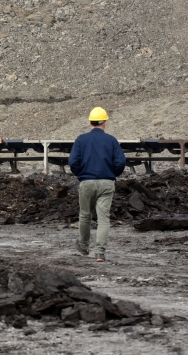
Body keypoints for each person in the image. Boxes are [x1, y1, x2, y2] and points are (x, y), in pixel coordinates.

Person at [68, 107, 127, 263]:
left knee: (85, 215)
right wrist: (112, 174)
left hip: (86, 182)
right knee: (103, 219)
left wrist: (81, 174)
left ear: (90, 122)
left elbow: (73, 162)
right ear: (105, 122)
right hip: (107, 182)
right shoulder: (112, 140)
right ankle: (100, 253)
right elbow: (120, 161)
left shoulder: (81, 140)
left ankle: (83, 247)